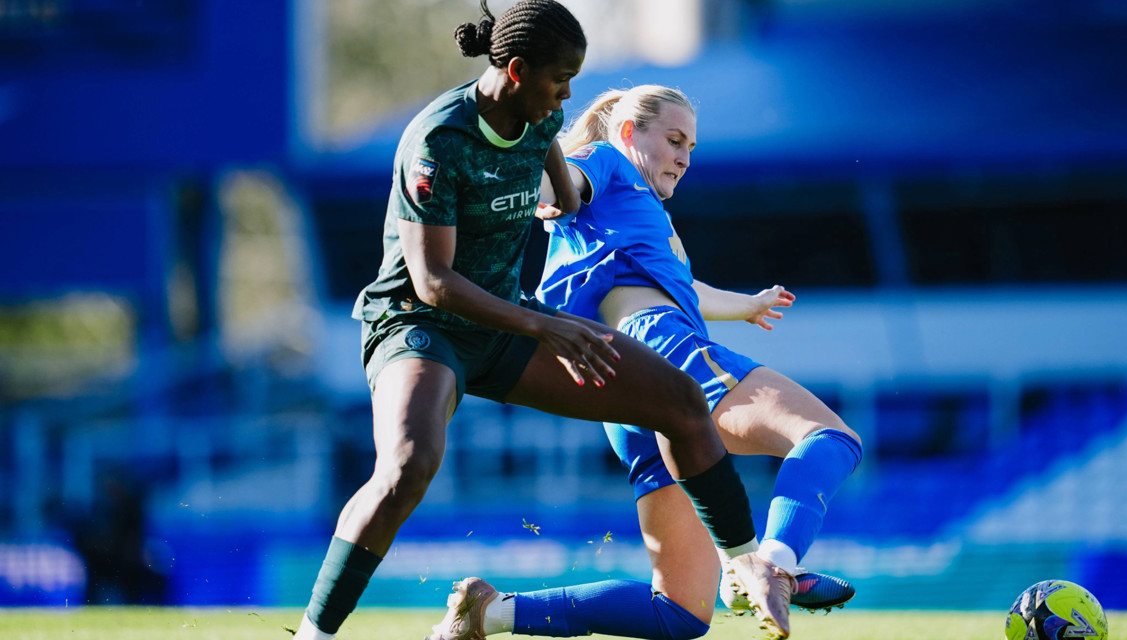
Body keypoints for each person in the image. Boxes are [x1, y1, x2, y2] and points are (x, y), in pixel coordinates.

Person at [296, 5, 795, 639]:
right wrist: (547, 326)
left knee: (680, 399)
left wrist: (593, 201)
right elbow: (435, 282)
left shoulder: (544, 117)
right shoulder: (439, 141)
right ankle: (315, 633)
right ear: (515, 69)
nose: (567, 94)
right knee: (408, 466)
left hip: (509, 322)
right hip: (420, 326)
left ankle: (744, 566)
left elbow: (566, 195)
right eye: (560, 79)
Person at [426, 85, 863, 640]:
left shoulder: (638, 216)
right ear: (630, 132)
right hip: (666, 352)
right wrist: (513, 185)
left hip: (623, 390)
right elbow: (563, 185)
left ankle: (488, 614)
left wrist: (747, 305)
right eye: (674, 140)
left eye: (692, 147)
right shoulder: (607, 162)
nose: (684, 157)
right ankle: (772, 563)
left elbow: (679, 286)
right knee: (830, 438)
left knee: (678, 616)